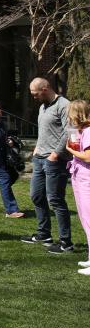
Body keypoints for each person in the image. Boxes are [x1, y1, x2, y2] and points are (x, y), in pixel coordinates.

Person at [22, 77, 73, 253]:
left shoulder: (64, 105)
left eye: (35, 94)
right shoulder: (43, 107)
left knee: (56, 200)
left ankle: (66, 242)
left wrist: (55, 154)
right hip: (40, 158)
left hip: (55, 161)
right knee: (36, 196)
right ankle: (44, 233)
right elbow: (45, 131)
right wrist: (37, 148)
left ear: (45, 89)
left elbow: (69, 132)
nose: (34, 97)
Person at [65, 100, 90, 275]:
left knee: (89, 220)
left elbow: (88, 157)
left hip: (87, 179)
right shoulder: (80, 130)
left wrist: (70, 150)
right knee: (84, 218)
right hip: (79, 177)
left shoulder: (88, 131)